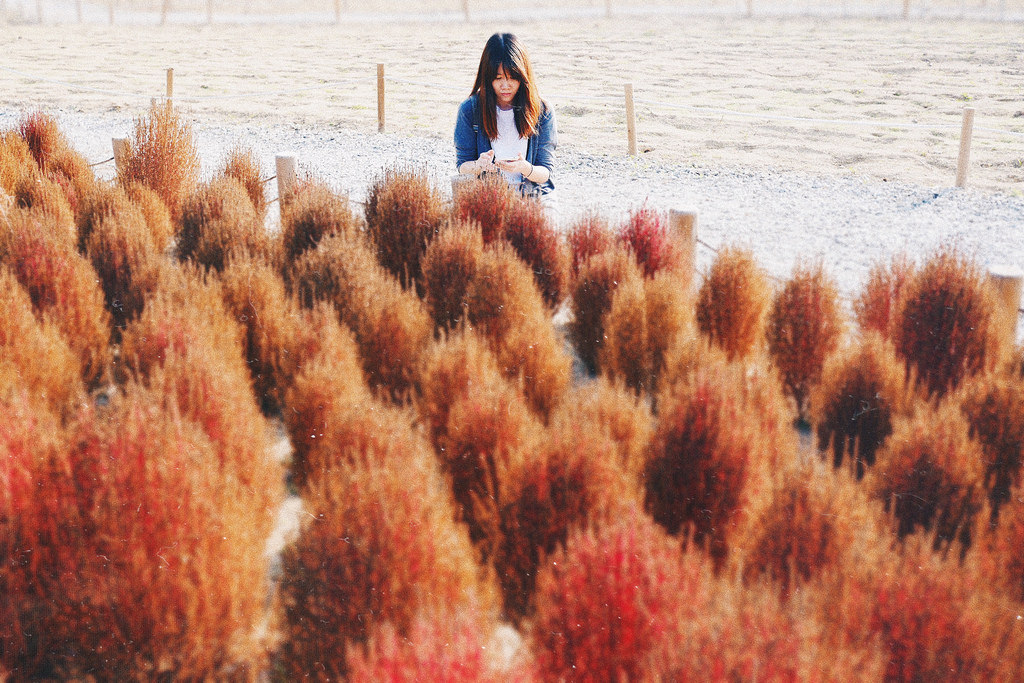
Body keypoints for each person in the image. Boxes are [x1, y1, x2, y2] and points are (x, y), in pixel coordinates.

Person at [454, 32, 557, 205]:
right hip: (489, 198)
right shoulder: (470, 110)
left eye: (513, 77)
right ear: (486, 78)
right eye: (498, 78)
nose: (505, 85)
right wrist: (479, 165)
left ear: (523, 77)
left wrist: (525, 168)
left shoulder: (542, 110)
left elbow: (546, 172)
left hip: (534, 197)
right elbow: (462, 166)